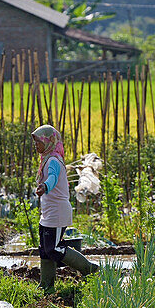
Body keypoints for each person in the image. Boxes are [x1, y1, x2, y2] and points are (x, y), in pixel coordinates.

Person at [31, 124, 97, 291]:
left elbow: (52, 178)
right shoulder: (46, 159)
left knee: (53, 248)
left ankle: (90, 269)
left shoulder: (53, 160)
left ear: (48, 142)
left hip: (57, 212)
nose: (36, 145)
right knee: (45, 250)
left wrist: (45, 186)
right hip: (48, 212)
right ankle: (46, 286)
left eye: (39, 141)